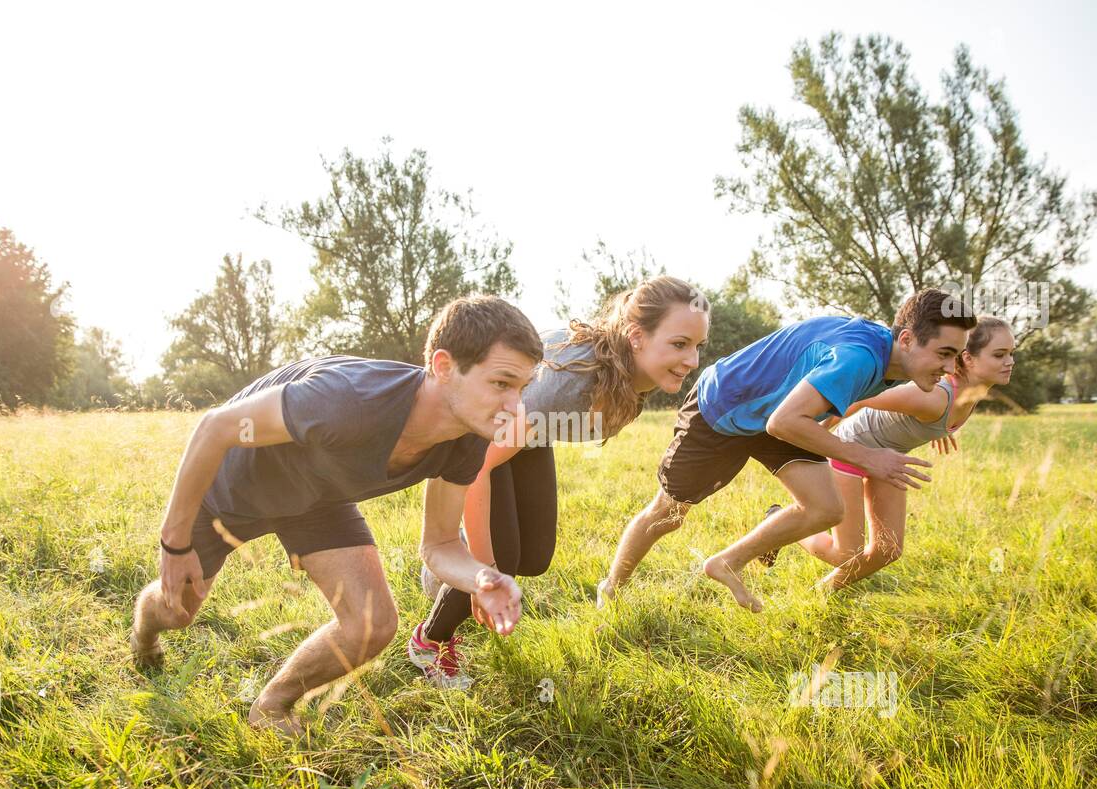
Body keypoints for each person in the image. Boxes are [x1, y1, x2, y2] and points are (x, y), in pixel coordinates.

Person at [129, 295, 544, 736]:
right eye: (501, 383)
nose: (515, 407)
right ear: (444, 367)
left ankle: (270, 707)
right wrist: (174, 541)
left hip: (317, 497)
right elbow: (217, 427)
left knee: (373, 624)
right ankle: (144, 634)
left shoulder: (468, 438)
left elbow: (439, 543)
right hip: (233, 488)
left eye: (523, 387)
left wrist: (480, 577)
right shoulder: (350, 400)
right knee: (177, 612)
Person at [408, 276, 711, 688]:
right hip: (478, 439)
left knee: (534, 558)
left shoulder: (631, 376)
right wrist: (485, 572)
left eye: (697, 347)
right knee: (502, 560)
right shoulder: (570, 383)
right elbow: (477, 468)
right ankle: (430, 640)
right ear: (636, 337)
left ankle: (450, 565)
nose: (692, 360)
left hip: (526, 435)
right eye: (679, 344)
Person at [598, 288, 976, 612]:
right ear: (907, 339)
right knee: (669, 513)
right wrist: (869, 457)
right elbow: (785, 423)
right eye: (943, 353)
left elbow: (811, 407)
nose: (948, 368)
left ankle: (727, 562)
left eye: (955, 357)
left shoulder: (888, 359)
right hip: (724, 409)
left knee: (826, 508)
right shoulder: (861, 358)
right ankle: (611, 588)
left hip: (778, 414)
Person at [797, 317, 1015, 590]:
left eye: (1011, 354)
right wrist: (818, 433)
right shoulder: (932, 398)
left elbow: (933, 416)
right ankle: (781, 521)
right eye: (1000, 354)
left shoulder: (966, 396)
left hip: (888, 458)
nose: (1010, 362)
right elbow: (857, 396)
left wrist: (941, 429)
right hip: (850, 451)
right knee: (845, 553)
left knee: (887, 550)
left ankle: (824, 591)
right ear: (968, 359)